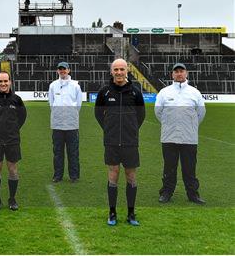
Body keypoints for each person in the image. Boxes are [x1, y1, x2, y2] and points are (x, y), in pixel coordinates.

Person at [94, 58, 145, 226]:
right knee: (113, 175)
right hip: (112, 142)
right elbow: (98, 115)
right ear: (111, 72)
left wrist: (131, 129)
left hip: (130, 142)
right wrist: (109, 129)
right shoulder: (104, 92)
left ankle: (131, 213)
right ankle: (112, 212)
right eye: (115, 70)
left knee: (131, 177)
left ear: (127, 71)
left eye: (122, 69)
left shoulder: (136, 91)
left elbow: (141, 116)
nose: (119, 73)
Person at [155, 63, 206, 204]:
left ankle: (193, 194)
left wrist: (189, 126)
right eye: (176, 71)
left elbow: (200, 114)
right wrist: (170, 125)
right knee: (169, 167)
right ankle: (166, 192)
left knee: (189, 168)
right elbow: (158, 113)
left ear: (186, 73)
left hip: (189, 138)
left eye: (181, 71)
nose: (179, 74)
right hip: (169, 137)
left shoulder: (195, 93)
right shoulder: (164, 93)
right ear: (172, 74)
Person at [0, 71, 27, 210]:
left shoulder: (17, 100)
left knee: (13, 170)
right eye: (0, 81)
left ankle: (12, 199)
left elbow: (22, 118)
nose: (3, 84)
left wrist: (12, 130)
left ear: (10, 82)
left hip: (12, 140)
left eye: (5, 81)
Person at [48, 61, 83, 183]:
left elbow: (78, 104)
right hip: (57, 124)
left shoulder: (75, 86)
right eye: (60, 69)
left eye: (64, 69)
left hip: (71, 124)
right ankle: (58, 175)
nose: (62, 71)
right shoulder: (53, 85)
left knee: (73, 151)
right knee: (57, 152)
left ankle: (74, 176)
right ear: (57, 71)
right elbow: (51, 103)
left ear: (69, 70)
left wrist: (70, 115)